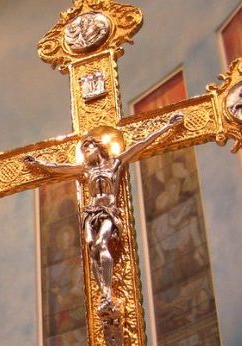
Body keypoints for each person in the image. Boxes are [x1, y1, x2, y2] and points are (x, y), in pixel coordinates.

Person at [24, 113, 184, 320]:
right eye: (83, 149)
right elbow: (58, 168)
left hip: (109, 210)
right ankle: (104, 293)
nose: (86, 152)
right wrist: (37, 163)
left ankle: (108, 292)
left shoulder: (115, 163)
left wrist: (167, 127)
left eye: (88, 147)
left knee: (101, 243)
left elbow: (142, 144)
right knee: (91, 249)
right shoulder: (85, 170)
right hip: (91, 213)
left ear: (98, 146)